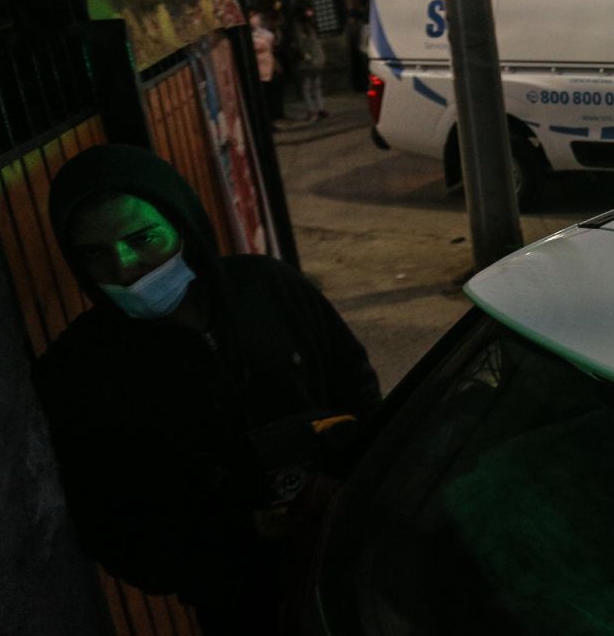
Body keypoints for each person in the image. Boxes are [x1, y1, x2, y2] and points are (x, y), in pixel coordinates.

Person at [33, 144, 380, 635]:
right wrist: (236, 537)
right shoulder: (80, 369)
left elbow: (358, 388)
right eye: (95, 253)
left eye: (143, 238)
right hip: (245, 607)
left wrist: (357, 484)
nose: (124, 266)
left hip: (361, 556)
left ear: (182, 224)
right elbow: (109, 525)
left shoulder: (268, 287)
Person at [289, 0, 328, 121]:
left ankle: (314, 110)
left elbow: (303, 43)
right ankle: (318, 109)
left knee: (308, 86)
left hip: (310, 58)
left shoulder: (301, 25)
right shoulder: (307, 25)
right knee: (314, 85)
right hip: (314, 57)